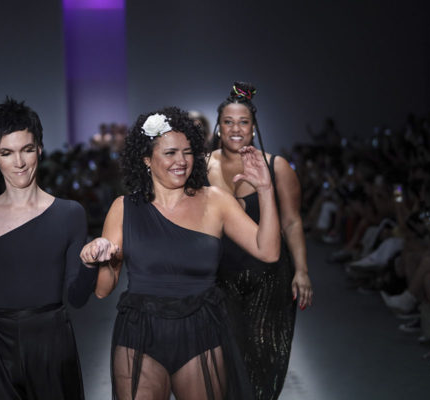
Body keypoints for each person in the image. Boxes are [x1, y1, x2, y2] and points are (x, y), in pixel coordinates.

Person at [80, 107, 281, 399]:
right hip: (140, 332)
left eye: (187, 152)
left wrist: (265, 189)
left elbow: (269, 251)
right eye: (170, 153)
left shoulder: (216, 201)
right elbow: (102, 290)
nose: (182, 161)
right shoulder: (124, 208)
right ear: (147, 159)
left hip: (202, 330)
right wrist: (100, 259)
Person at [0, 98, 97, 399]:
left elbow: (78, 298)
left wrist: (90, 265)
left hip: (51, 343)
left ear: (39, 148)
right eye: (7, 153)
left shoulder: (69, 214)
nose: (19, 163)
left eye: (27, 149)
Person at [207, 82, 313, 400]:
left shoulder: (277, 167)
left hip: (269, 278)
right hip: (219, 277)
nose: (235, 128)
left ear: (254, 127)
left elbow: (292, 221)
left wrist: (302, 271)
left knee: (265, 360)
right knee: (226, 361)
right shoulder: (201, 165)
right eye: (228, 121)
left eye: (243, 122)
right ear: (218, 126)